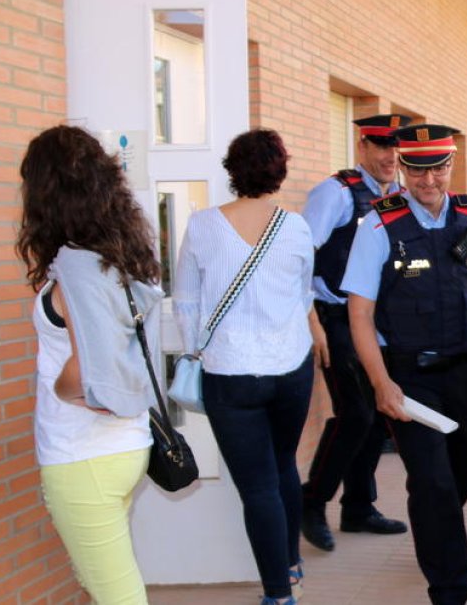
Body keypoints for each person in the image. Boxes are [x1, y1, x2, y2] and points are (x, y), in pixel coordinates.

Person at [342, 124, 467, 605]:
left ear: (450, 166)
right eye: (417, 170)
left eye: (437, 169)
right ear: (403, 168)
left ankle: (435, 530)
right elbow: (359, 313)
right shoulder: (379, 225)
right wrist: (380, 382)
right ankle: (449, 587)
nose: (428, 182)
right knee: (433, 480)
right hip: (409, 377)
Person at [17, 125, 164, 604]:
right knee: (109, 587)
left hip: (83, 457)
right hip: (124, 445)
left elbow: (83, 373)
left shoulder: (76, 266)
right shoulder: (115, 256)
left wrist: (60, 390)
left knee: (119, 596)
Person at [173, 129, 316, 605]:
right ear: (280, 170)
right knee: (284, 468)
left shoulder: (202, 226)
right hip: (291, 367)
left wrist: (199, 349)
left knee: (257, 488)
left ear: (233, 172)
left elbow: (187, 303)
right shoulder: (296, 227)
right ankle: (291, 563)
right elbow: (302, 297)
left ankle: (278, 593)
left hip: (230, 374)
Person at [299, 115, 409, 552]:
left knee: (377, 415)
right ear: (361, 146)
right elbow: (300, 255)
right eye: (380, 146)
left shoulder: (398, 197)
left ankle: (359, 507)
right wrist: (311, 321)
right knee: (355, 414)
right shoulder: (337, 192)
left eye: (395, 149)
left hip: (378, 320)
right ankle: (312, 500)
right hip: (337, 316)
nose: (389, 157)